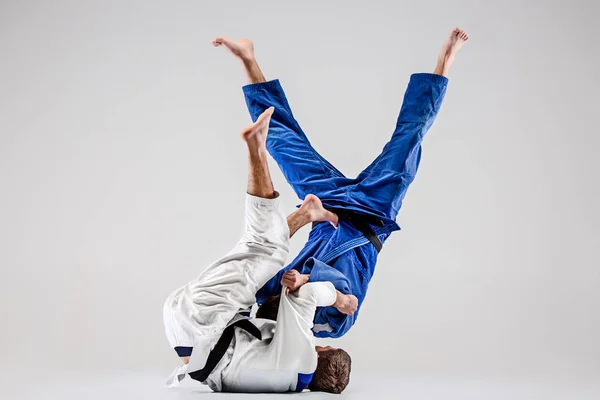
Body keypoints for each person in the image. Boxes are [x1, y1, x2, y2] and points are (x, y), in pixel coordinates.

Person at [212, 28, 469, 338]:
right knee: (409, 138)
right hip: (372, 214)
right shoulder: (328, 328)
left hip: (324, 208)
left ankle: (248, 60)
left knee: (280, 143)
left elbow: (258, 271)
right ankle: (445, 60)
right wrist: (307, 281)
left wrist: (244, 296)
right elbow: (345, 293)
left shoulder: (268, 308)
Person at [162, 107, 355, 393]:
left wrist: (342, 301)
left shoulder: (303, 359)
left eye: (323, 345)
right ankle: (306, 214)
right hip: (189, 337)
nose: (316, 340)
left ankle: (256, 146)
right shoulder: (287, 382)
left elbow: (312, 295)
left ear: (320, 356)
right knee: (257, 263)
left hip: (205, 321)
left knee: (264, 247)